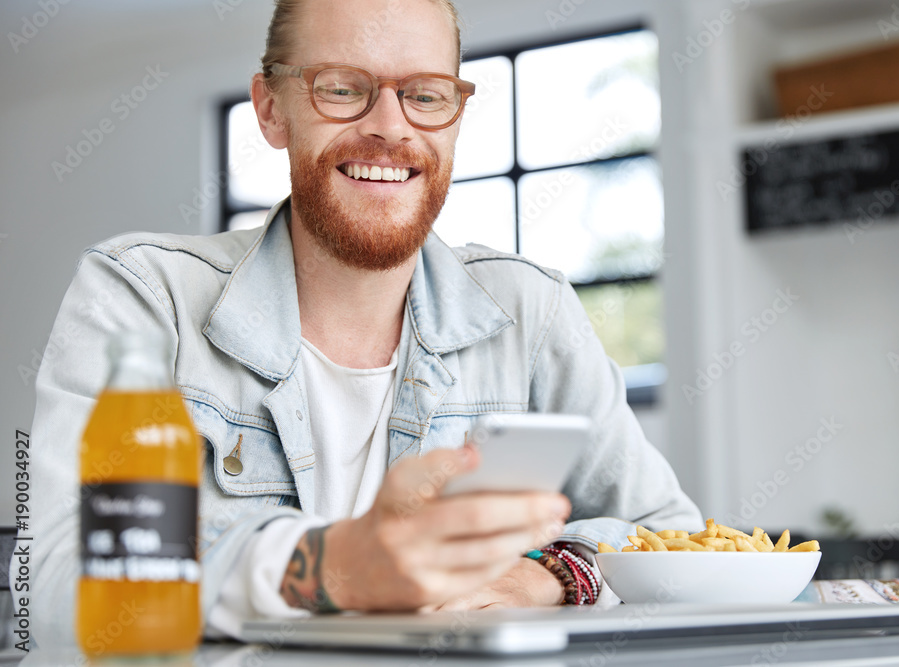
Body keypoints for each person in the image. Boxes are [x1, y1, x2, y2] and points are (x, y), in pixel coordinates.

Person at [24, 0, 701, 646]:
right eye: (343, 89)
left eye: (425, 95)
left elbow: (668, 533)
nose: (390, 127)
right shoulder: (143, 298)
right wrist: (338, 565)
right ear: (271, 109)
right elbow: (54, 586)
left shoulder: (533, 311)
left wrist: (549, 575)